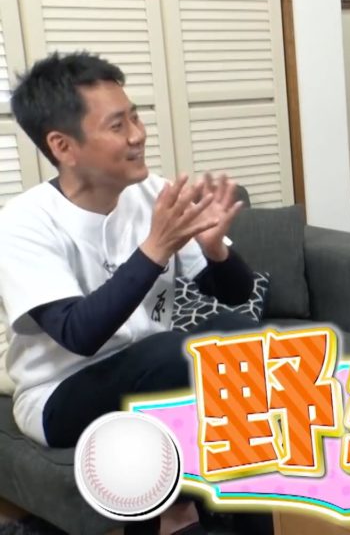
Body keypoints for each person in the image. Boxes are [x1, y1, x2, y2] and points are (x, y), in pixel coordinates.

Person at [0, 52, 259, 534]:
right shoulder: (23, 223)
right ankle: (181, 511)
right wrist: (156, 248)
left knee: (245, 340)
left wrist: (215, 250)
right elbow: (79, 335)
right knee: (177, 355)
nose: (138, 135)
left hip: (151, 368)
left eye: (135, 117)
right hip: (59, 393)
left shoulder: (150, 193)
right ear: (63, 146)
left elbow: (235, 294)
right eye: (118, 125)